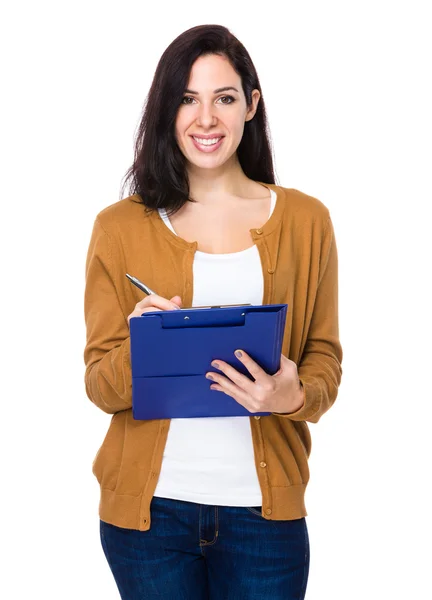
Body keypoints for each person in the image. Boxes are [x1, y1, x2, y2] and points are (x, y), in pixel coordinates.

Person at [83, 23, 343, 600]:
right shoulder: (118, 228)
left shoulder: (306, 221)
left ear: (250, 106)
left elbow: (323, 356)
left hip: (263, 519)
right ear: (165, 110)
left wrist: (292, 397)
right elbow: (101, 385)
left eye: (224, 98)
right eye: (187, 99)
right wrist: (140, 345)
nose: (206, 118)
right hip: (148, 519)